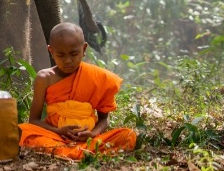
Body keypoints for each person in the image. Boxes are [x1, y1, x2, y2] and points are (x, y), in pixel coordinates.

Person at [17, 22, 137, 161]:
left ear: (84, 48)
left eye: (74, 54)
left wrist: (92, 134)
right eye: (61, 55)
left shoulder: (97, 77)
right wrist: (59, 131)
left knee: (128, 135)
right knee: (22, 131)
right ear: (51, 51)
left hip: (88, 138)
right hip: (55, 137)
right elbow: (34, 120)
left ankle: (71, 152)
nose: (68, 60)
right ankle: (84, 153)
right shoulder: (45, 78)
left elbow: (104, 119)